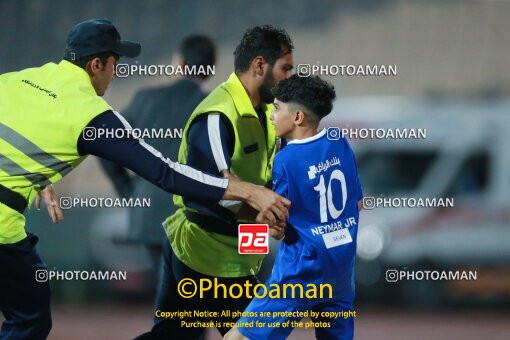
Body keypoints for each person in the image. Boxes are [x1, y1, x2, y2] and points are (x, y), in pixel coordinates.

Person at [0, 19, 289, 340]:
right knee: (31, 318)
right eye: (115, 64)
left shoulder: (16, 79)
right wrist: (249, 193)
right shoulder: (92, 114)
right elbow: (164, 171)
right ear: (97, 64)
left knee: (186, 330)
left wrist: (37, 176)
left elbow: (24, 127)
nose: (114, 73)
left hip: (223, 237)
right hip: (202, 236)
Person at [138, 25, 294, 339]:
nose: (289, 77)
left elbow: (267, 178)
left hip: (243, 246)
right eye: (285, 68)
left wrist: (272, 215)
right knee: (249, 335)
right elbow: (206, 190)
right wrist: (261, 212)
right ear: (260, 65)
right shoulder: (218, 115)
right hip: (205, 246)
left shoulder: (268, 112)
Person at [224, 75, 364, 340]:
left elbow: (274, 222)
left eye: (277, 108)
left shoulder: (286, 159)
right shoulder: (340, 142)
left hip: (302, 271)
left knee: (239, 337)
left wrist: (235, 193)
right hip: (341, 270)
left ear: (298, 117)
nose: (272, 116)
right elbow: (357, 202)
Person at [99, 35, 217, 270]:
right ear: (210, 69)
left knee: (169, 288)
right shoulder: (217, 106)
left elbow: (104, 144)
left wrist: (129, 191)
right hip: (200, 220)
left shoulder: (144, 100)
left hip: (150, 217)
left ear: (180, 63)